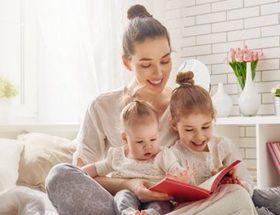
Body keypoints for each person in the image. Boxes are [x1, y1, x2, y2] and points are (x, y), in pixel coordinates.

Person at [46, 4, 258, 215]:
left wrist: (220, 176)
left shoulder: (183, 103)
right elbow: (82, 177)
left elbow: (205, 158)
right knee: (59, 176)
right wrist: (130, 185)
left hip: (176, 206)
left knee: (238, 195)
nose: (159, 73)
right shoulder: (102, 107)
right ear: (127, 62)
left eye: (165, 61)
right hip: (120, 206)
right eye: (146, 65)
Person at [82, 99, 191, 215]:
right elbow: (95, 168)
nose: (148, 146)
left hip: (155, 197)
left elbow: (175, 169)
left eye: (153, 139)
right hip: (128, 194)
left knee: (162, 205)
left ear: (158, 133)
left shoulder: (162, 155)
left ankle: (150, 213)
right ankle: (129, 213)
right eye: (140, 142)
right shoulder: (117, 156)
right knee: (121, 197)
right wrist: (79, 172)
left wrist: (181, 176)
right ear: (125, 138)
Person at [169, 71, 254, 192]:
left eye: (205, 127)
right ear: (174, 125)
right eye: (189, 129)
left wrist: (234, 182)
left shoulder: (223, 146)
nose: (199, 137)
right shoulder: (173, 156)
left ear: (212, 119)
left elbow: (250, 187)